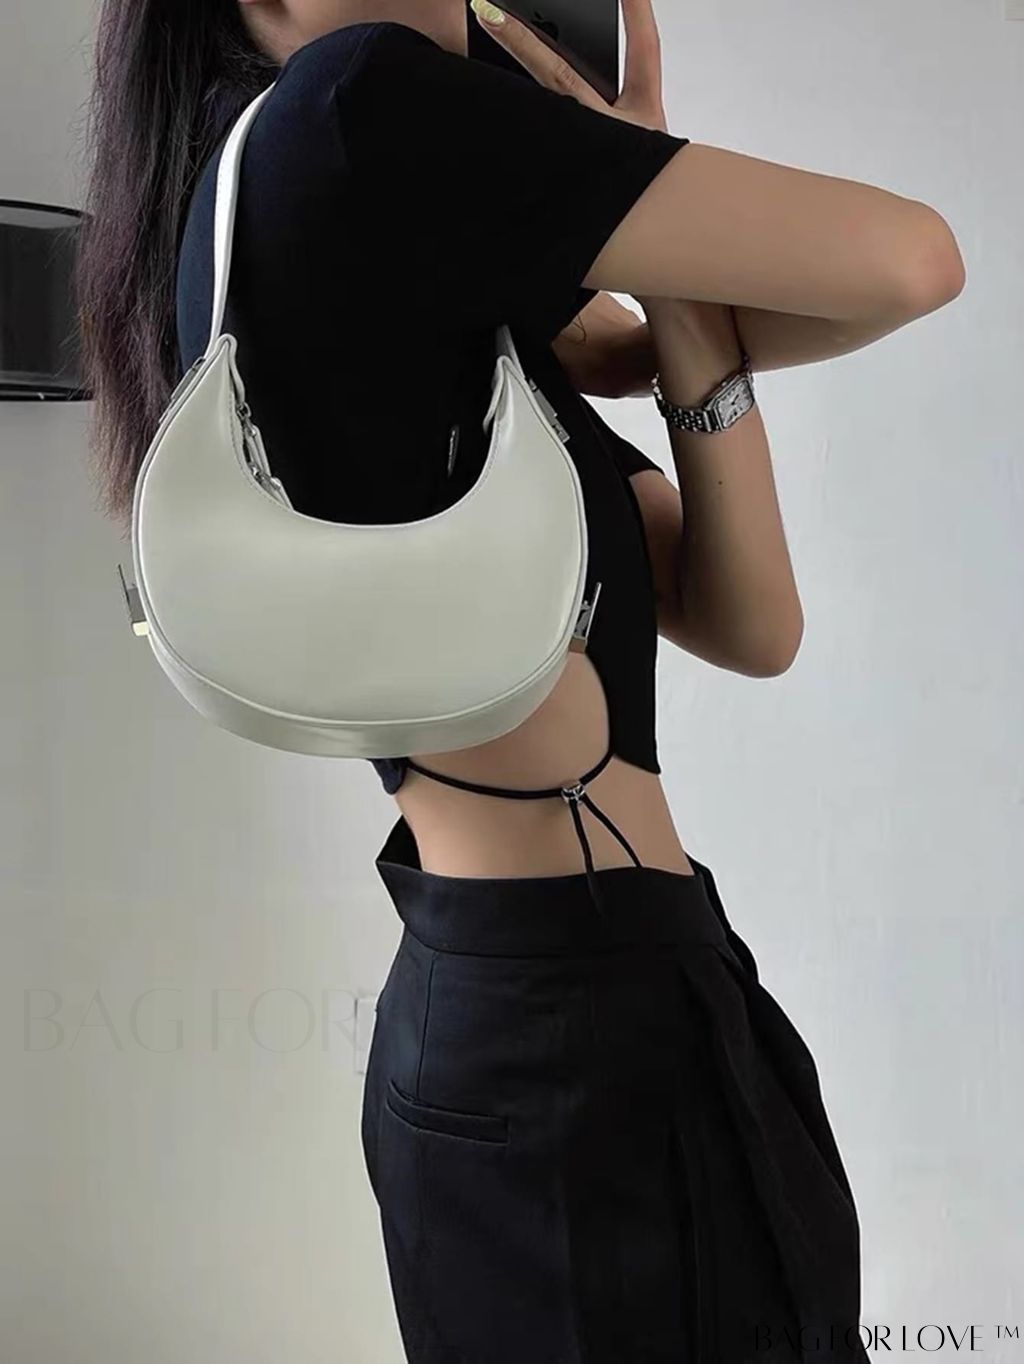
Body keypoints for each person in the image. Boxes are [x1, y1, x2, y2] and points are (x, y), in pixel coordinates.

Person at [75, 0, 965, 1358]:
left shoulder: (347, 251)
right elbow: (910, 260)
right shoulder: (357, 109)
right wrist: (637, 173)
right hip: (576, 1034)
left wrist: (673, 296)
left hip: (587, 999)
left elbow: (749, 619)